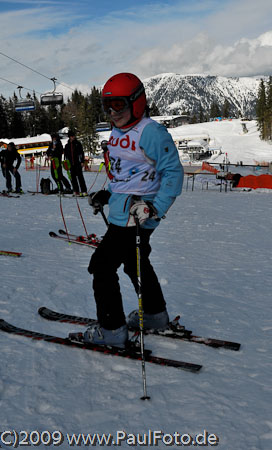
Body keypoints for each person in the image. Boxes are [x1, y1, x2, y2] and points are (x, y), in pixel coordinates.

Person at [71, 72, 184, 348]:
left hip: (138, 216)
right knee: (136, 262)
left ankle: (112, 330)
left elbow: (173, 174)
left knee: (101, 266)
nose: (112, 112)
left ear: (136, 101)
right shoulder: (118, 132)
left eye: (118, 105)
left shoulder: (151, 132)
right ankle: (155, 316)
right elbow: (126, 176)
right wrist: (107, 194)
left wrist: (155, 208)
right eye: (106, 106)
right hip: (123, 212)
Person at [64, 130, 87, 196]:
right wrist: (66, 162)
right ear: (69, 137)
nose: (73, 137)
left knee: (80, 177)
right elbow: (66, 155)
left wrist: (82, 161)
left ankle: (84, 190)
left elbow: (81, 153)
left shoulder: (78, 144)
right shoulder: (67, 145)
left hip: (78, 163)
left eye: (73, 136)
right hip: (71, 163)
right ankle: (76, 190)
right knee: (73, 178)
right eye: (71, 136)